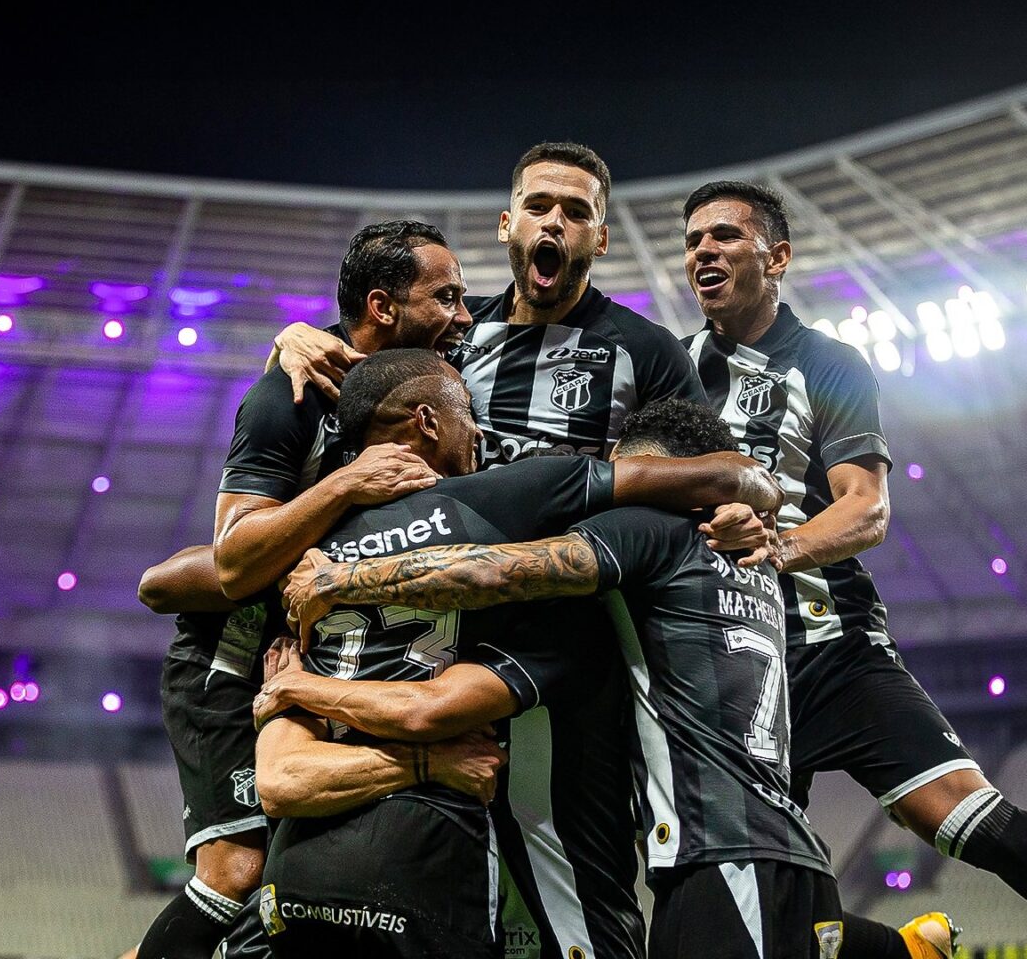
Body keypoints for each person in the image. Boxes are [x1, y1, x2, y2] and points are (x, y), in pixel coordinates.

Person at [675, 180, 1027, 959]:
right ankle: (908, 953)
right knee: (773, 927)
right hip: (735, 679)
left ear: (776, 257)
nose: (703, 250)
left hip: (833, 649)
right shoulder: (673, 374)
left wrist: (775, 549)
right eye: (693, 239)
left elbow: (866, 509)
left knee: (972, 821)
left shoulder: (828, 363)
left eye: (724, 237)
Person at [253, 351, 787, 957]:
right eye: (469, 414)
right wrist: (751, 506)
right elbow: (729, 475)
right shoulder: (515, 499)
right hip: (431, 852)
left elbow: (274, 774)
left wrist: (301, 668)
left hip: (294, 875)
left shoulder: (299, 550)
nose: (481, 432)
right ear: (430, 422)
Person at [130, 219, 470, 959]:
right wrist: (348, 481)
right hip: (235, 660)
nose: (464, 316)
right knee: (237, 871)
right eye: (446, 298)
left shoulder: (435, 379)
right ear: (383, 307)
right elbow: (229, 563)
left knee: (292, 880)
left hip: (323, 664)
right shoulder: (288, 395)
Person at [271, 141, 708, 465]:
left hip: (566, 568)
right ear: (506, 226)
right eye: (537, 206)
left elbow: (700, 462)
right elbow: (354, 351)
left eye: (577, 213)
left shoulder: (649, 349)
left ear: (602, 240)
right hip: (441, 545)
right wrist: (293, 338)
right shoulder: (449, 323)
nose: (554, 222)